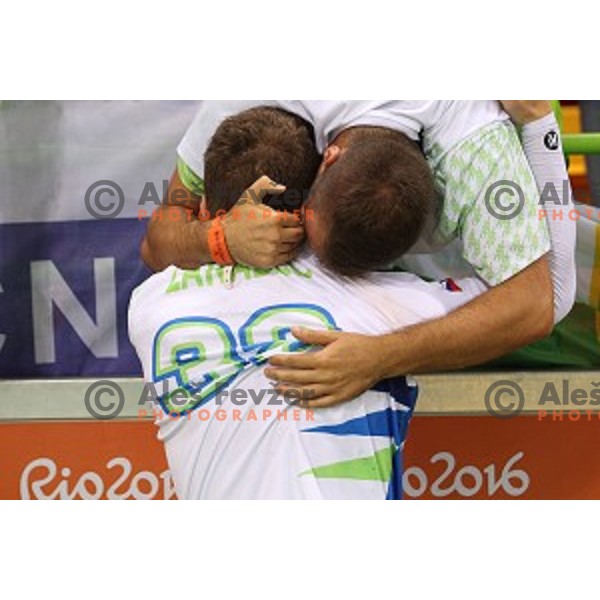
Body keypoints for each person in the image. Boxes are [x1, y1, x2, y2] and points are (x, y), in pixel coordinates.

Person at [129, 107, 487, 499]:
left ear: (209, 209)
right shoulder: (381, 307)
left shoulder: (149, 307)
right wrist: (539, 128)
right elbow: (535, 300)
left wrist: (216, 237)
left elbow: (157, 243)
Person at [141, 101, 576, 407]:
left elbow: (536, 303)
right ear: (323, 163)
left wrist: (381, 357)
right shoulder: (245, 94)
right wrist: (217, 239)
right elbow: (158, 236)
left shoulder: (469, 132)